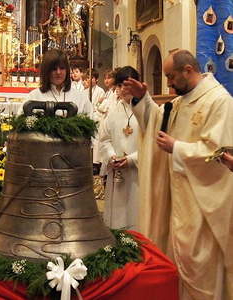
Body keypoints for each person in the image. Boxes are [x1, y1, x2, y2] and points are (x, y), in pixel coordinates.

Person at [122, 49, 233, 300]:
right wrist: (143, 100)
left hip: (203, 202)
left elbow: (220, 153)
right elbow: (157, 125)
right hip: (178, 198)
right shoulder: (180, 101)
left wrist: (177, 148)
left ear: (188, 70)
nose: (169, 83)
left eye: (171, 77)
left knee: (199, 264)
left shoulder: (218, 101)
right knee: (177, 257)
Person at [99, 66, 139, 230]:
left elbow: (152, 144)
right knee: (117, 215)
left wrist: (131, 159)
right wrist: (111, 156)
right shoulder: (114, 111)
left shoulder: (147, 111)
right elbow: (104, 139)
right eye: (120, 85)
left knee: (136, 211)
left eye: (127, 85)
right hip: (117, 172)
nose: (123, 89)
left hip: (137, 172)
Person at [20, 49, 92, 117]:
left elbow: (92, 124)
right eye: (54, 69)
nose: (58, 72)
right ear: (46, 71)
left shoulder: (80, 97)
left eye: (62, 68)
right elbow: (20, 123)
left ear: (67, 70)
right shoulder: (34, 96)